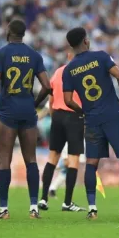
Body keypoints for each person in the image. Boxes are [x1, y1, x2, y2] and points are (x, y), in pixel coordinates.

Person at [62, 27, 119, 220]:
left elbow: (67, 100)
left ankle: (92, 209)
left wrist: (84, 111)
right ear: (85, 41)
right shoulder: (100, 57)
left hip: (92, 119)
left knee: (91, 164)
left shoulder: (69, 69)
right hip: (113, 115)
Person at [0, 19, 51, 219]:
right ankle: (33, 207)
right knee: (31, 160)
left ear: (8, 32)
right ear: (24, 34)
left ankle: (3, 209)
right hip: (27, 111)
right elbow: (47, 86)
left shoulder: (0, 54)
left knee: (4, 160)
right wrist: (34, 104)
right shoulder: (34, 55)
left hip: (7, 111)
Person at [39, 50, 85, 212]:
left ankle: (43, 199)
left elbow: (50, 98)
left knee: (52, 157)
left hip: (57, 116)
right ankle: (67, 202)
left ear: (68, 55)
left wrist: (54, 117)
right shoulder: (82, 73)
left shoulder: (59, 71)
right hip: (74, 117)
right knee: (73, 160)